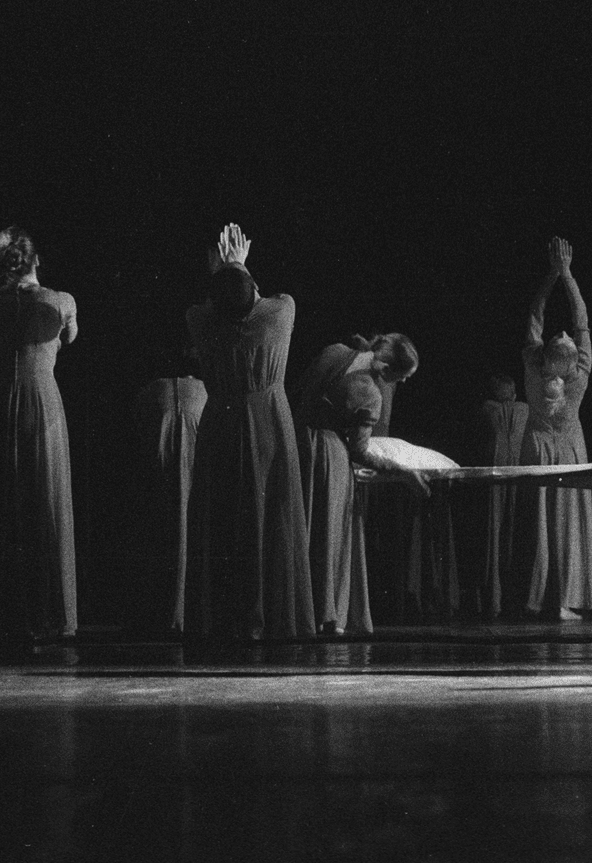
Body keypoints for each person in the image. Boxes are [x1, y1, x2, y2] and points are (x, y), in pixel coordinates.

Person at [185, 224, 314, 641]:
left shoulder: (200, 320)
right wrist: (236, 266)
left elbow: (217, 306)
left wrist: (225, 272)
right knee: (272, 516)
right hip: (269, 423)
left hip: (221, 422)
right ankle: (275, 619)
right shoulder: (281, 312)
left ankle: (225, 619)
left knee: (223, 517)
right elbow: (259, 300)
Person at [0, 226, 79, 642]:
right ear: (35, 261)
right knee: (46, 500)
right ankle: (49, 613)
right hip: (42, 402)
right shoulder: (61, 301)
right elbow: (67, 338)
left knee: (7, 499)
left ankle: (7, 613)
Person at [293, 332, 428, 634]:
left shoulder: (334, 351)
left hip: (299, 446)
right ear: (388, 370)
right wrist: (404, 471)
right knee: (329, 534)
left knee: (303, 530)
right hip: (329, 458)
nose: (402, 383)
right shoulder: (369, 392)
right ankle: (326, 614)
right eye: (402, 377)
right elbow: (361, 451)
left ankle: (299, 610)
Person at [517, 236, 592, 620]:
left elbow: (535, 315)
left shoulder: (534, 368)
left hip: (539, 445)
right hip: (567, 447)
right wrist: (567, 275)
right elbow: (581, 322)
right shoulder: (579, 376)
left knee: (543, 520)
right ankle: (558, 600)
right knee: (563, 521)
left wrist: (552, 276)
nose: (564, 333)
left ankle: (545, 599)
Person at [133, 336, 207, 633]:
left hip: (158, 476)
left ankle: (158, 613)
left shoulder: (150, 392)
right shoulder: (206, 392)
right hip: (195, 476)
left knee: (160, 536)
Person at [480, 374, 529, 616]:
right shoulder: (522, 410)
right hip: (510, 476)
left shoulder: (489, 409)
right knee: (509, 532)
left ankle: (495, 599)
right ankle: (506, 599)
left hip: (497, 476)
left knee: (496, 532)